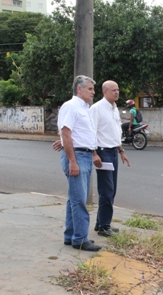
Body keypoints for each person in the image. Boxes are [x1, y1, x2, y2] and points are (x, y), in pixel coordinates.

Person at [56, 75, 102, 251]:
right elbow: (66, 135)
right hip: (77, 156)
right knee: (79, 200)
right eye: (90, 89)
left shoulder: (85, 108)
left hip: (85, 156)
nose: (93, 92)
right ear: (79, 89)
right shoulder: (71, 106)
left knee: (74, 199)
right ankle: (80, 239)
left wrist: (94, 154)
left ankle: (71, 236)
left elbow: (85, 135)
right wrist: (72, 162)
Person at [89, 80, 130, 237]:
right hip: (103, 152)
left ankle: (101, 223)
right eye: (113, 90)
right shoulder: (97, 109)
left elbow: (115, 132)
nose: (117, 92)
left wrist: (121, 151)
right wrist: (94, 154)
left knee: (111, 190)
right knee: (107, 190)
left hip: (113, 152)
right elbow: (91, 132)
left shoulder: (114, 109)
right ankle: (104, 226)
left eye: (118, 89)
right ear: (104, 92)